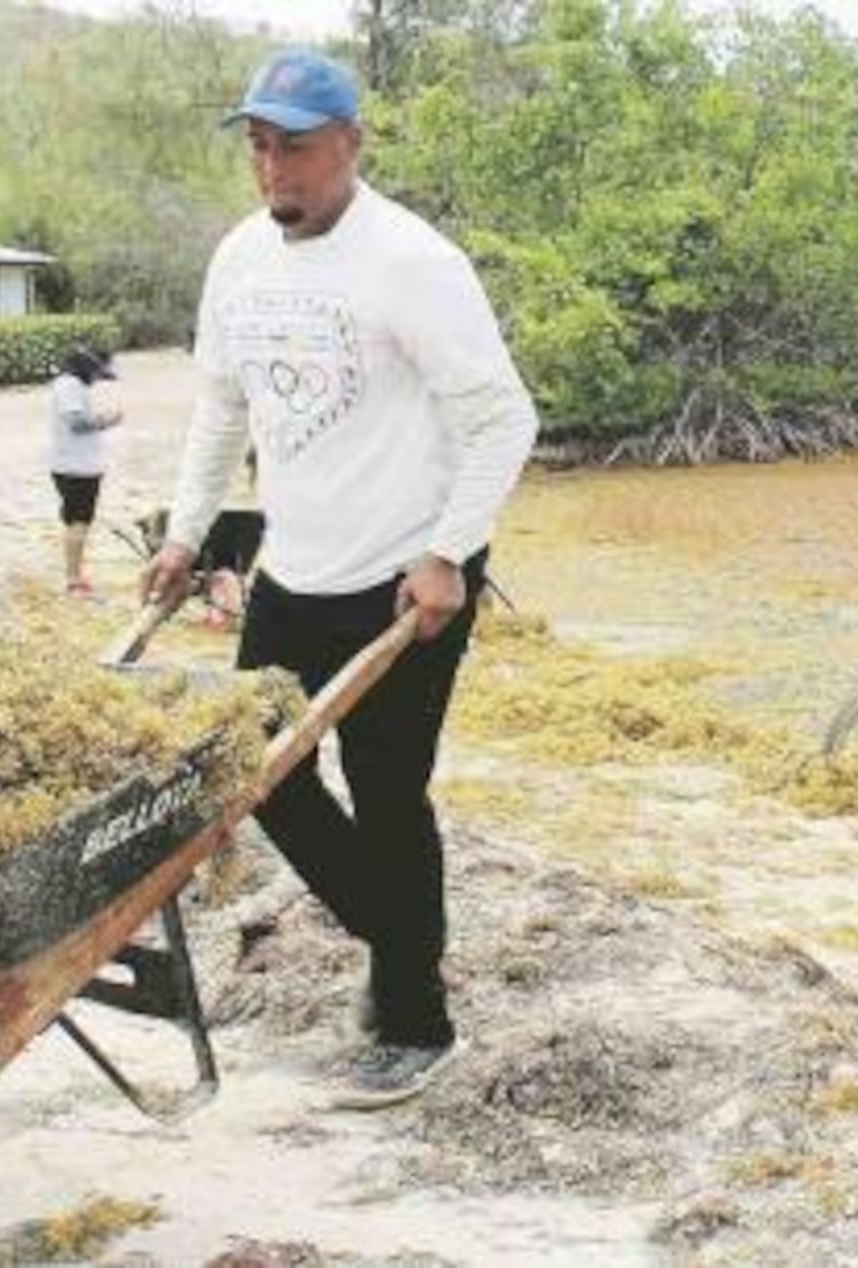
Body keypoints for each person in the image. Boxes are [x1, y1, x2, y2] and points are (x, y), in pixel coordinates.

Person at [139, 48, 539, 1108]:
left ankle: (415, 1017)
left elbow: (503, 417)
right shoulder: (239, 260)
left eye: (297, 149)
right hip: (296, 559)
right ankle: (407, 939)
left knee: (386, 787)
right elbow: (221, 408)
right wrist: (187, 538)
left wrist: (450, 549)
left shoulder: (412, 261)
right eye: (260, 148)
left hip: (410, 568)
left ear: (350, 144)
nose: (276, 171)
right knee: (253, 769)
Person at [48, 346, 122, 595]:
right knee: (78, 523)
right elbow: (76, 422)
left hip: (76, 465)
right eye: (95, 374)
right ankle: (73, 579)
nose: (96, 379)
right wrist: (107, 420)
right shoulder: (68, 385)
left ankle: (75, 575)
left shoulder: (69, 385)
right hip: (76, 467)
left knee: (76, 522)